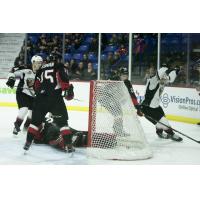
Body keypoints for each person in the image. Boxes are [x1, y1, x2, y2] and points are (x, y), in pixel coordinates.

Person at [23, 54, 75, 153]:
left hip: (40, 99)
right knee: (63, 123)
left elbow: (36, 86)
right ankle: (68, 145)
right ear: (57, 59)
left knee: (34, 123)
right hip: (55, 99)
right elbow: (63, 79)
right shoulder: (59, 66)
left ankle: (27, 143)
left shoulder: (40, 69)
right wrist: (67, 89)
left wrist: (40, 94)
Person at [140, 64, 183, 142]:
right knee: (163, 123)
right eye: (163, 77)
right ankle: (172, 134)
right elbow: (161, 74)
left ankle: (159, 132)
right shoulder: (153, 81)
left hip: (155, 107)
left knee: (161, 121)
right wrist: (169, 70)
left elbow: (169, 78)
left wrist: (176, 71)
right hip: (147, 108)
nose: (164, 80)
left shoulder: (162, 80)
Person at [6, 55, 43, 135]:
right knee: (24, 110)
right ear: (33, 62)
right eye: (38, 63)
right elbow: (12, 71)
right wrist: (11, 79)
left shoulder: (41, 72)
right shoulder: (25, 69)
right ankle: (16, 129)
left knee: (32, 115)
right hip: (22, 93)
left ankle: (25, 130)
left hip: (34, 96)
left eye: (41, 63)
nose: (40, 64)